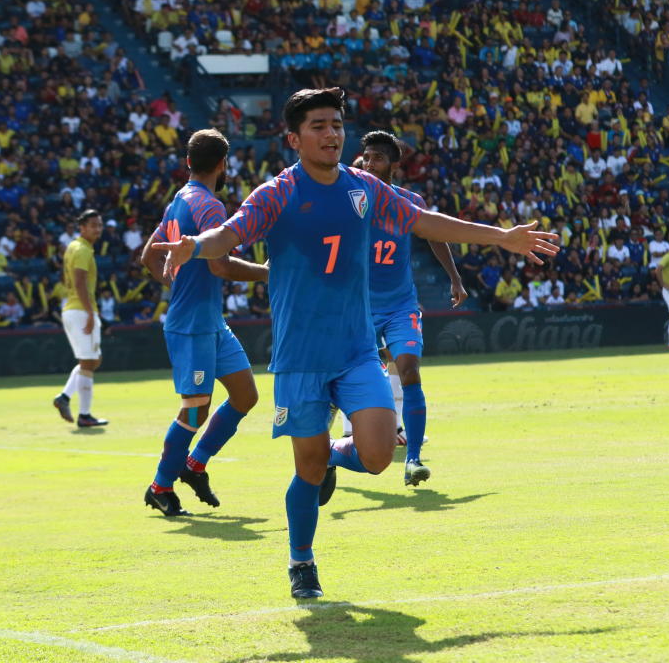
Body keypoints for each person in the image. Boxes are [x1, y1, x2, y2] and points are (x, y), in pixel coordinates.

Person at [153, 88, 558, 599]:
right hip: (301, 358)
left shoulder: (363, 187)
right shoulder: (275, 193)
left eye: (337, 124)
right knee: (307, 467)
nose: (331, 134)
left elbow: (425, 222)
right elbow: (228, 236)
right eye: (318, 125)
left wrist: (500, 236)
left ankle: (332, 461)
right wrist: (192, 245)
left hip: (355, 349)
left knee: (378, 454)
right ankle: (302, 562)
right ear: (294, 138)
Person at [138, 129, 269, 517]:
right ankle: (160, 486)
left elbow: (148, 255)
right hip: (192, 324)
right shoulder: (209, 206)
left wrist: (176, 281)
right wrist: (265, 274)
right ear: (223, 164)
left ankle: (194, 465)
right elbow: (221, 265)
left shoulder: (180, 199)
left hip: (209, 321)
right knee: (196, 409)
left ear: (189, 162)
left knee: (245, 395)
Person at [353, 130, 468, 486]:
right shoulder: (352, 201)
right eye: (367, 158)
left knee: (410, 370)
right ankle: (324, 454)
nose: (370, 164)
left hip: (401, 304)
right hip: (359, 306)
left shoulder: (407, 201)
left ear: (393, 165)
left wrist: (455, 278)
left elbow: (435, 234)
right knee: (345, 376)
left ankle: (413, 460)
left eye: (378, 159)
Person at [51, 210, 108, 428]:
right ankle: (84, 415)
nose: (97, 229)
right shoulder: (82, 249)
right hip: (81, 310)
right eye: (93, 225)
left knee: (93, 360)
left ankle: (64, 397)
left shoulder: (74, 247)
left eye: (99, 225)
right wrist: (90, 313)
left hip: (74, 309)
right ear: (82, 227)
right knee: (88, 362)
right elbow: (79, 282)